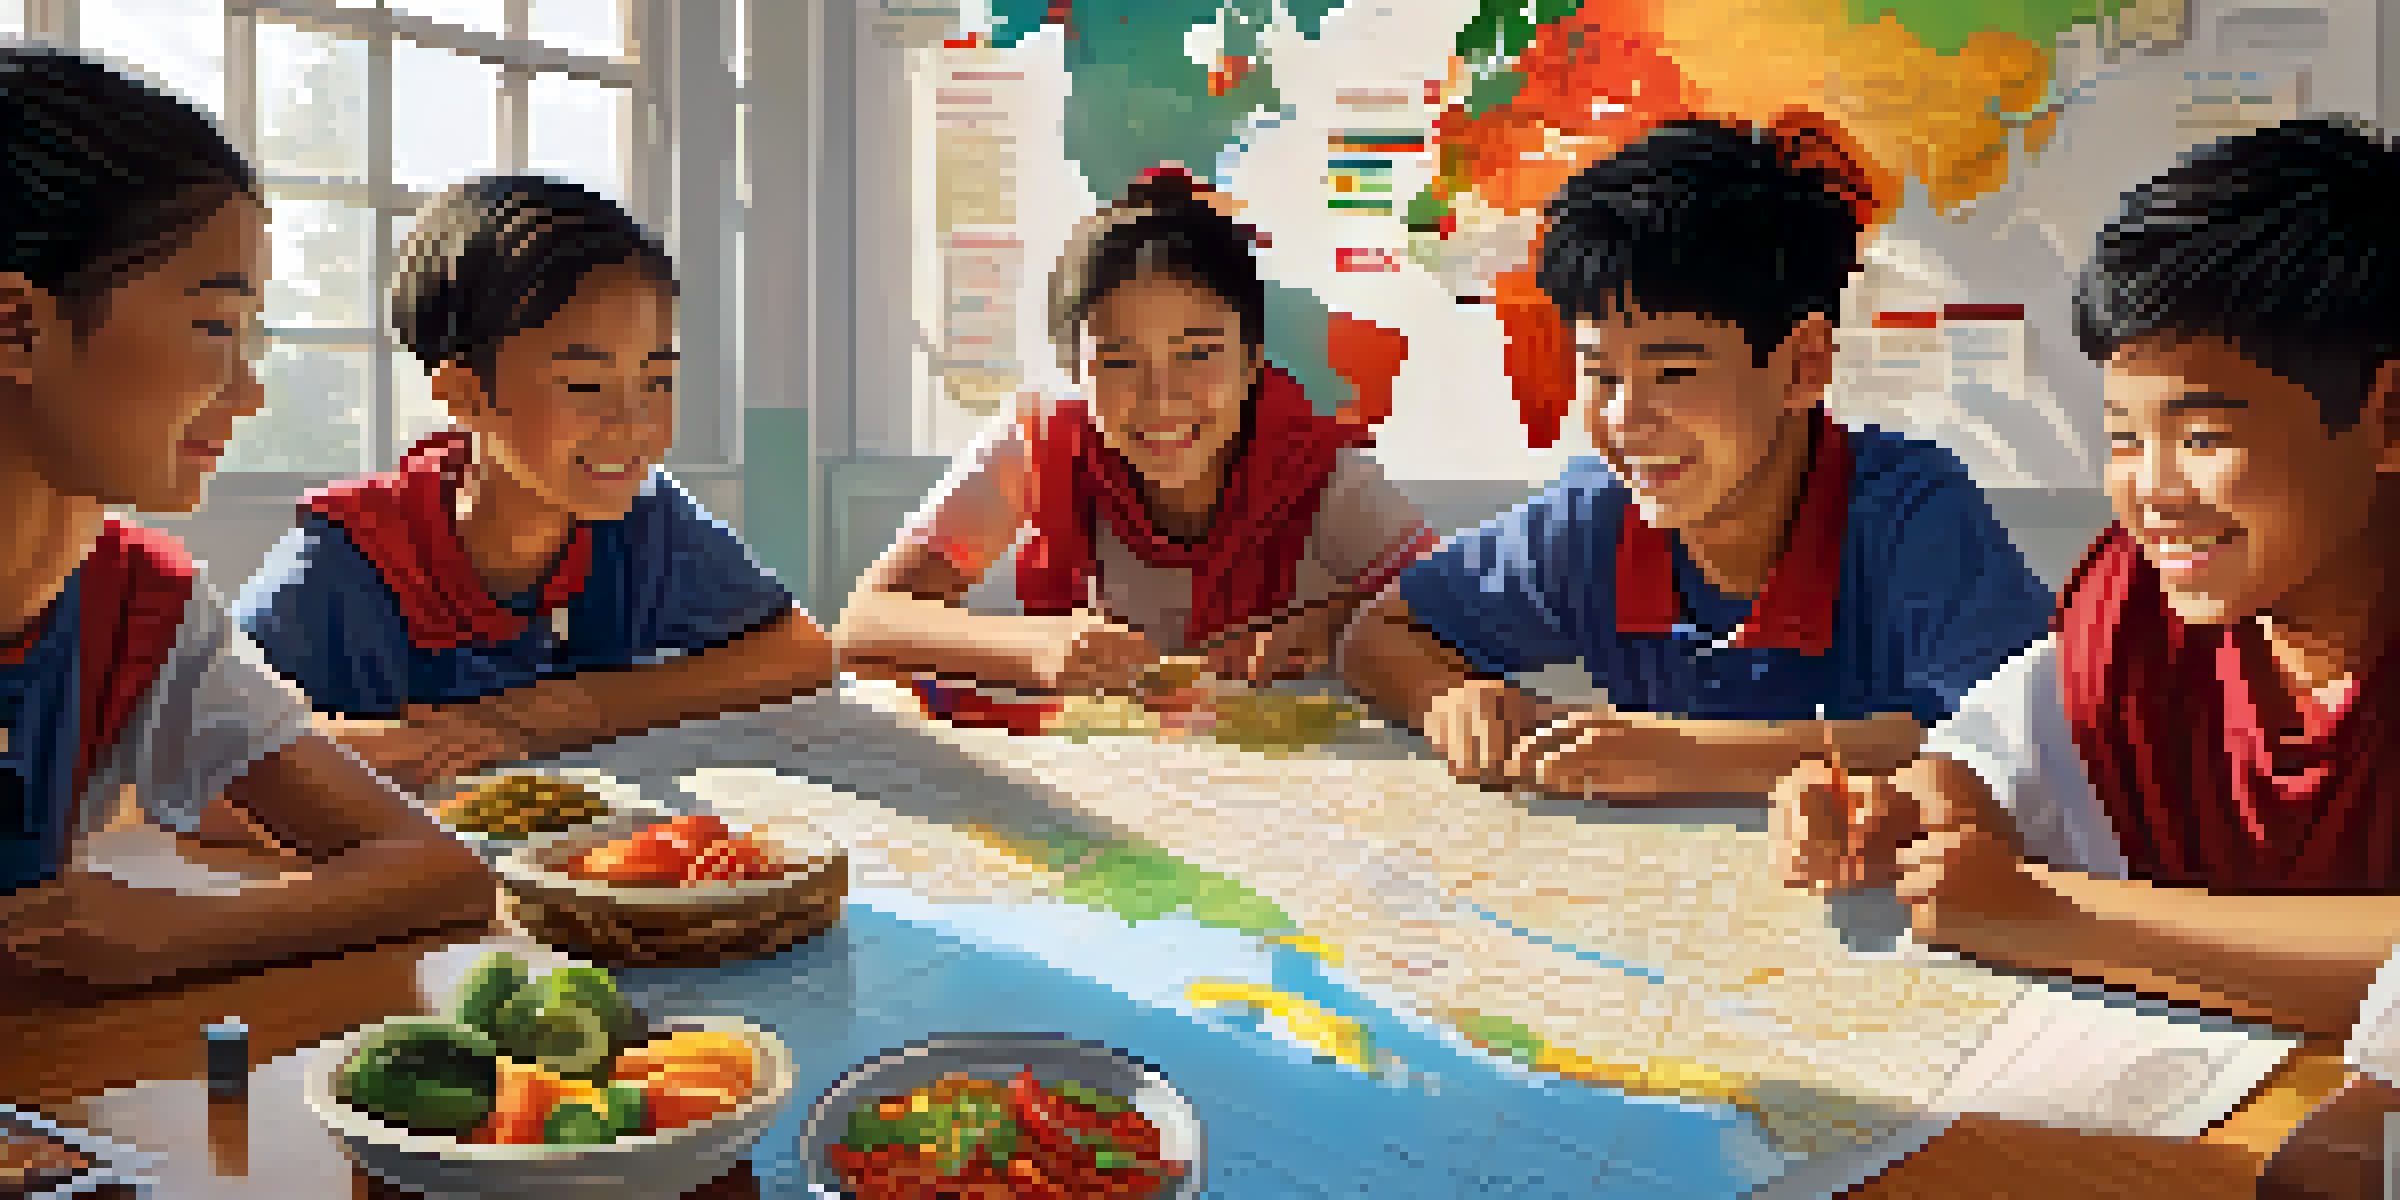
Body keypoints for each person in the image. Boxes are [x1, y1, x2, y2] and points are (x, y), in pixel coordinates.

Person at [1773, 117, 2400, 1052]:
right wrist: (1901, 810)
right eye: (2122, 437)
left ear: (2387, 418)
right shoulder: (2136, 604)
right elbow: (1999, 760)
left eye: (2203, 438)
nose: (2153, 494)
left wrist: (2061, 919)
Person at [1341, 113, 2054, 799]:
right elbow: (1383, 634)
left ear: (1803, 365)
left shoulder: (1911, 515)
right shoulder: (1594, 520)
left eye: (1674, 373)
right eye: (1601, 374)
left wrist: (1695, 756)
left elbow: (2023, 735)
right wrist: (1449, 700)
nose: (1626, 420)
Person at [0, 47, 490, 998]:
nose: (250, 391)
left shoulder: (141, 608)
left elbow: (438, 874)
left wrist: (176, 934)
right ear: (19, 328)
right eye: (215, 328)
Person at [234, 176, 835, 797]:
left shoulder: (647, 521)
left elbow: (799, 655)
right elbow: (198, 743)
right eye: (583, 386)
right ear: (466, 394)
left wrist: (558, 712)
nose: (635, 424)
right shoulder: (342, 561)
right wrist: (363, 745)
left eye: (656, 381)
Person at [836, 167, 1438, 697]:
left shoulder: (1325, 475)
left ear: (1254, 361)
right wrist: (1036, 645)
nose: (1162, 397)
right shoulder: (1037, 446)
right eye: (1120, 362)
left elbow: (1456, 604)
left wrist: (1325, 625)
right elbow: (865, 622)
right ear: (1075, 372)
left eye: (1197, 355)